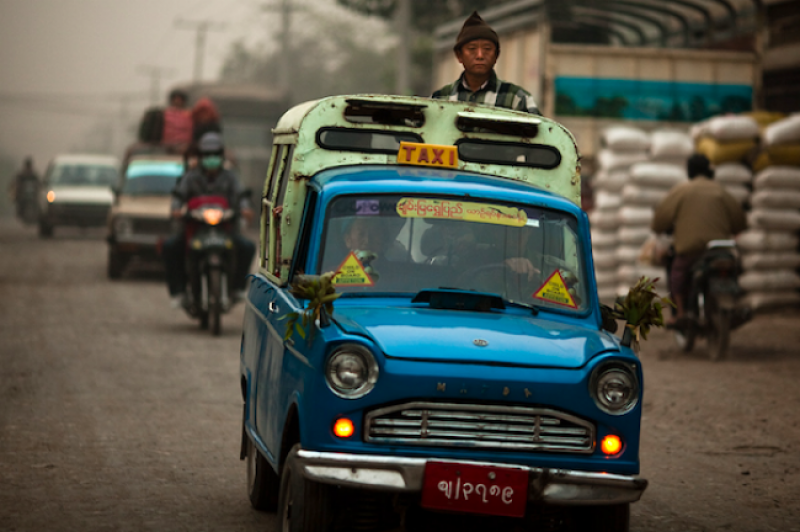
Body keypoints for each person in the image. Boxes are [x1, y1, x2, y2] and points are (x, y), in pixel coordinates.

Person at [162, 132, 255, 308]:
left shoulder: (230, 176)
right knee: (170, 247)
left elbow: (240, 195)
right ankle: (178, 291)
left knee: (247, 247)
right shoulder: (191, 176)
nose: (211, 158)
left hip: (224, 227)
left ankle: (238, 288)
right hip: (195, 228)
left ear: (221, 155)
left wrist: (245, 209)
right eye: (207, 155)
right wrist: (176, 209)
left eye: (215, 154)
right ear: (200, 156)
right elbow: (179, 196)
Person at [651, 153, 747, 325]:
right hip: (720, 250)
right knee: (736, 268)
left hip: (691, 251)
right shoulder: (721, 191)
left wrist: (664, 228)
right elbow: (740, 222)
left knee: (677, 273)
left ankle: (680, 313)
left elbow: (659, 221)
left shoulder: (681, 191)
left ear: (689, 171)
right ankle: (737, 302)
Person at [431, 11, 539, 114]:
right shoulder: (439, 99)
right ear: (459, 55)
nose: (480, 55)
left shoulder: (517, 99)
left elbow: (541, 127)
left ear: (496, 55)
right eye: (472, 48)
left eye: (487, 49)